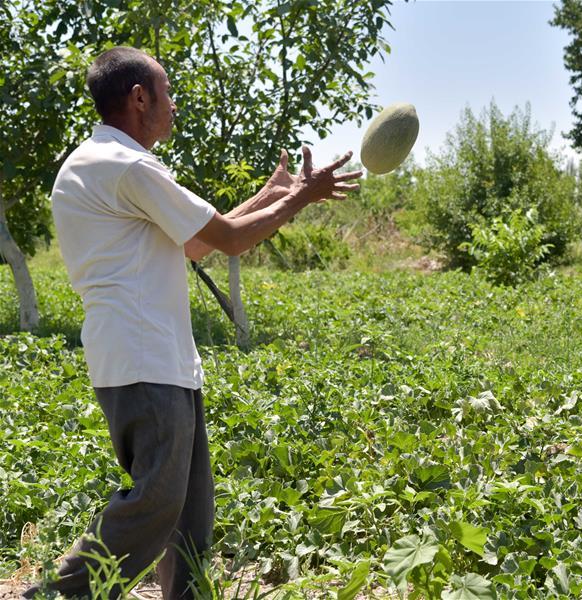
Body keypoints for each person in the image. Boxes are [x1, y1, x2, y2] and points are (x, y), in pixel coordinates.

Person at [24, 46, 361, 599]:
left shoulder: (99, 162)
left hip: (154, 361)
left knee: (189, 514)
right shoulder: (129, 166)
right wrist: (302, 196)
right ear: (139, 98)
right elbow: (227, 238)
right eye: (167, 91)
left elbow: (197, 242)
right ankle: (60, 595)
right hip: (146, 361)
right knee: (154, 508)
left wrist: (270, 195)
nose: (174, 105)